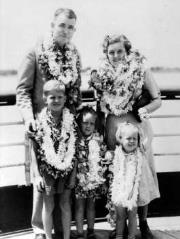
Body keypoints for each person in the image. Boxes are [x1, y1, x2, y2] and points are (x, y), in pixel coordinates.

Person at [16, 8, 81, 239]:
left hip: (65, 128)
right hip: (40, 126)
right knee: (41, 181)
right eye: (62, 25)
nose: (66, 30)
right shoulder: (35, 52)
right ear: (53, 25)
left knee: (63, 181)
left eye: (71, 27)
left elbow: (75, 94)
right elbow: (22, 91)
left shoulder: (74, 55)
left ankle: (63, 230)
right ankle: (40, 231)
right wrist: (29, 119)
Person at [89, 34, 161, 239]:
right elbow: (99, 107)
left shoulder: (141, 70)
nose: (116, 55)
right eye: (111, 52)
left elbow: (157, 99)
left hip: (137, 130)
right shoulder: (100, 76)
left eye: (120, 51)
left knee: (141, 176)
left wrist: (144, 110)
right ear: (106, 54)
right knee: (117, 176)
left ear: (127, 51)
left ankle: (144, 223)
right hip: (113, 129)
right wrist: (99, 134)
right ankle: (117, 225)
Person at [30, 80, 77, 239]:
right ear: (45, 98)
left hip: (66, 169)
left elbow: (74, 149)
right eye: (52, 97)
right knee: (48, 205)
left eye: (59, 97)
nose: (56, 100)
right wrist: (36, 176)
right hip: (46, 172)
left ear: (65, 99)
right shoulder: (39, 122)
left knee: (65, 205)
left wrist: (73, 174)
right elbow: (34, 151)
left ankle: (66, 237)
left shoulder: (70, 121)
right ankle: (48, 237)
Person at [108, 122, 159, 239]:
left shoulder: (140, 151)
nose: (132, 141)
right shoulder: (117, 153)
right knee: (120, 217)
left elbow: (150, 135)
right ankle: (119, 235)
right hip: (120, 190)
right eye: (128, 138)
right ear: (120, 139)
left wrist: (145, 121)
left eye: (134, 139)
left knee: (132, 216)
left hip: (133, 192)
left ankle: (131, 236)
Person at [75, 106, 107, 239]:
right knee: (79, 206)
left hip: (94, 179)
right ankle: (80, 233)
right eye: (85, 123)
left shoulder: (98, 140)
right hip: (80, 179)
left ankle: (91, 230)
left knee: (91, 206)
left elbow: (102, 159)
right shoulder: (76, 140)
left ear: (95, 125)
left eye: (91, 123)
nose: (88, 126)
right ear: (80, 123)